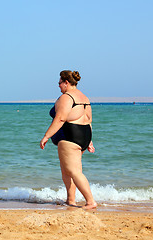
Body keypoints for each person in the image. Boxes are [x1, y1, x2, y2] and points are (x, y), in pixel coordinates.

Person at [40, 70, 97, 209]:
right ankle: (71, 200)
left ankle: (90, 201)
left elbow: (60, 118)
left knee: (73, 171)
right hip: (83, 135)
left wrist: (46, 136)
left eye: (59, 83)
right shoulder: (84, 98)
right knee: (67, 171)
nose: (58, 86)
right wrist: (89, 140)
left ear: (66, 82)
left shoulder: (67, 97)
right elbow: (88, 120)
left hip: (70, 137)